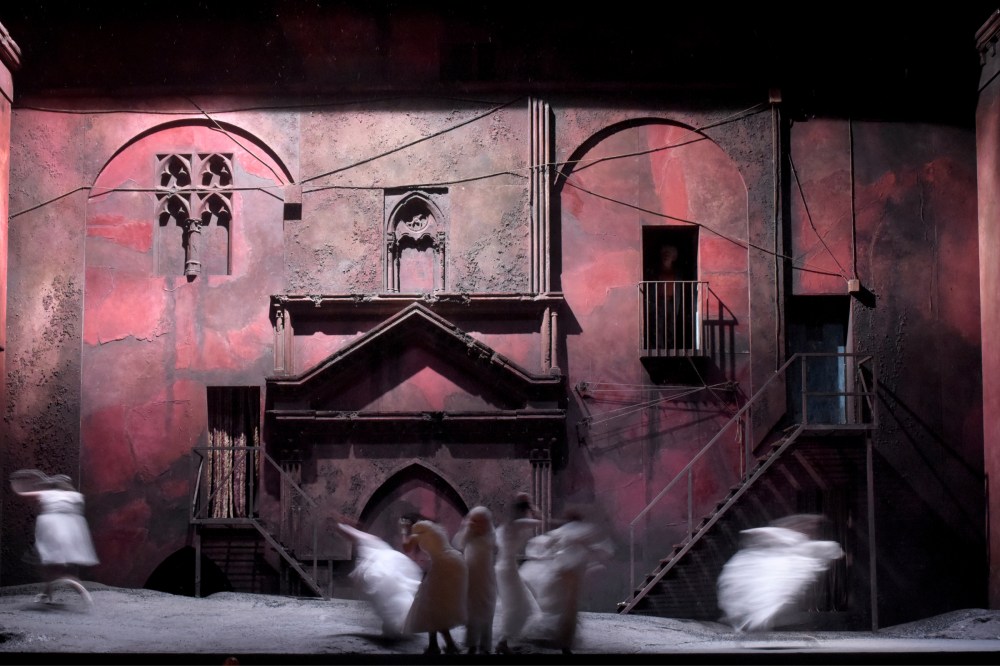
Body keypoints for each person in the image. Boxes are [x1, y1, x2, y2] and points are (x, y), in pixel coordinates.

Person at [716, 513, 845, 632]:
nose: (812, 531)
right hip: (764, 613)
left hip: (770, 614)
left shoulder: (790, 548)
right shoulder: (775, 553)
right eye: (810, 526)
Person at [519, 509, 614, 654]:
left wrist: (544, 556)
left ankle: (563, 639)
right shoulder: (583, 529)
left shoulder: (564, 530)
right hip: (572, 571)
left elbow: (546, 544)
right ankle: (564, 640)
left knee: (564, 606)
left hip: (563, 569)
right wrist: (594, 554)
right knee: (569, 607)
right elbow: (602, 548)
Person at [10, 469, 99, 606]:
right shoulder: (76, 496)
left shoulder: (48, 494)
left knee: (51, 569)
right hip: (70, 534)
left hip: (52, 533)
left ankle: (77, 587)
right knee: (52, 569)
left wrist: (15, 485)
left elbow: (24, 494)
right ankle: (47, 594)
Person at [336, 522, 422, 638]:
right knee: (394, 598)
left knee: (394, 597)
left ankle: (397, 626)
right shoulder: (374, 547)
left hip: (384, 569)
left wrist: (341, 527)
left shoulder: (373, 547)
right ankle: (396, 626)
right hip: (384, 569)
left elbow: (355, 535)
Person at [401, 518, 468, 654]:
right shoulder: (435, 528)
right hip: (455, 562)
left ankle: (445, 645)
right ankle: (437, 644)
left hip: (444, 565)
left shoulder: (418, 533)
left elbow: (406, 547)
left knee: (432, 604)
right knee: (435, 603)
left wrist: (403, 530)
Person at [493, 492, 542, 654]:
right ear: (524, 509)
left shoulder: (504, 526)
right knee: (519, 606)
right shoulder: (520, 523)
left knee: (514, 605)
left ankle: (505, 641)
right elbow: (540, 520)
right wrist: (531, 506)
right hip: (508, 568)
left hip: (501, 566)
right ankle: (502, 642)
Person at [451, 505, 497, 655]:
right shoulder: (469, 533)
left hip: (485, 578)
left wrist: (471, 529)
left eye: (480, 521)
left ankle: (485, 645)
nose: (476, 524)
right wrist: (466, 528)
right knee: (472, 612)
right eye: (474, 520)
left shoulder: (490, 535)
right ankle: (471, 644)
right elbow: (458, 543)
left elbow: (490, 546)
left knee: (487, 611)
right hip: (471, 577)